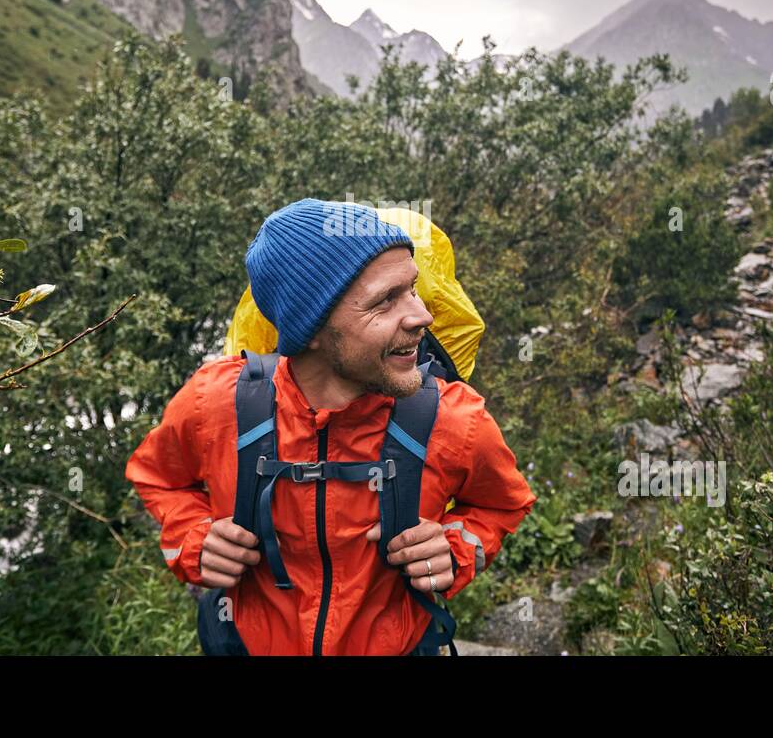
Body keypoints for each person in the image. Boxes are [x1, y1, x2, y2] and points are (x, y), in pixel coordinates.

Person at [125, 197, 536, 655]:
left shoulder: (454, 419)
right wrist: (193, 539)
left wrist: (455, 548)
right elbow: (157, 478)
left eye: (412, 289)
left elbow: (503, 505)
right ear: (312, 329)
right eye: (385, 300)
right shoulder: (217, 402)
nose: (422, 316)